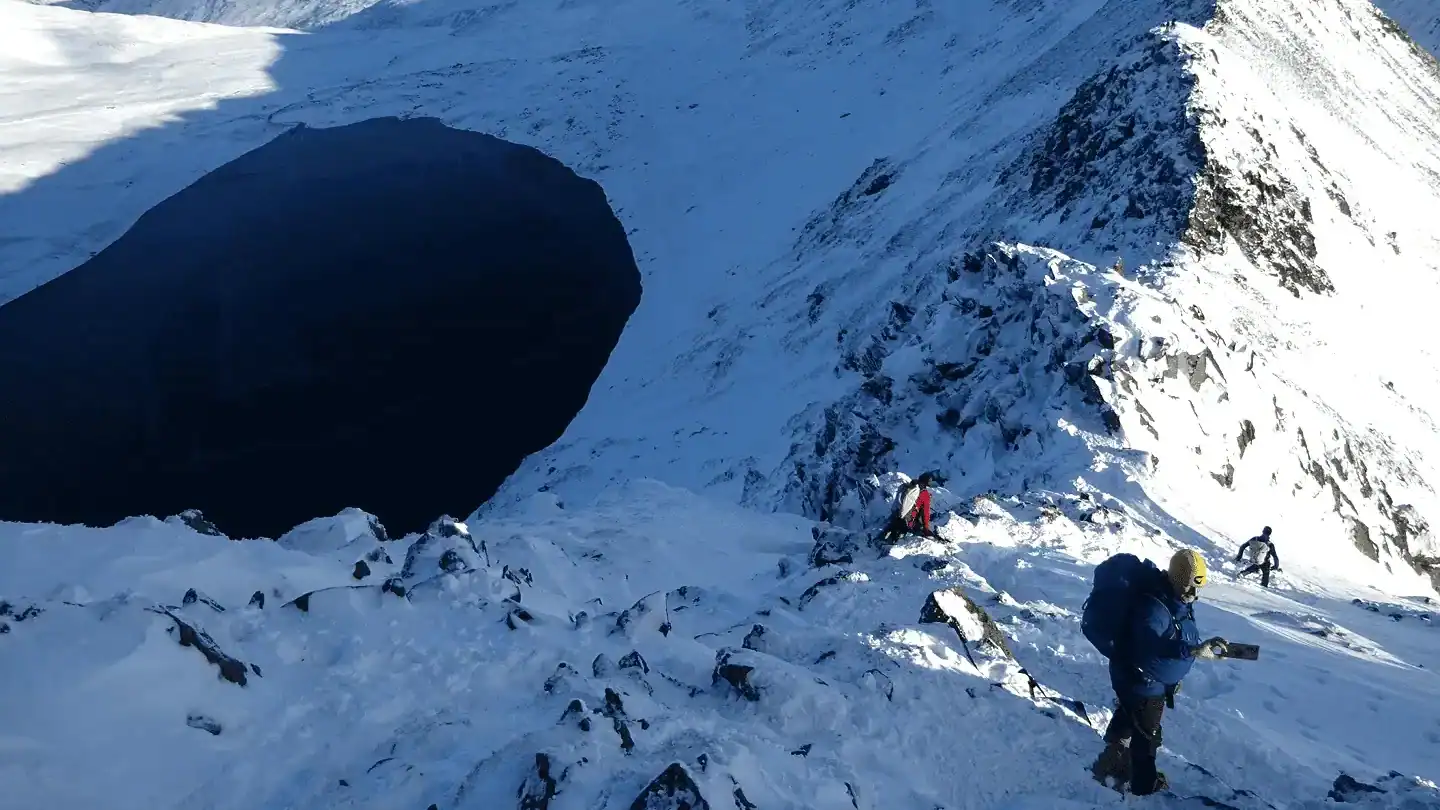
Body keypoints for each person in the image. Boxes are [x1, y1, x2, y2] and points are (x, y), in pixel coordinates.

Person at [1090, 549, 1229, 795]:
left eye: (1198, 588)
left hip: (1143, 681)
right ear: (1176, 580)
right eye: (1189, 587)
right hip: (1141, 682)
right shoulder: (1152, 607)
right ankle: (1144, 785)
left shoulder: (1174, 598)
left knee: (1130, 711)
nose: (1194, 595)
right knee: (1147, 736)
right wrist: (1193, 651)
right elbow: (1148, 647)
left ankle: (1114, 749)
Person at [877, 473, 936, 543]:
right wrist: (926, 529)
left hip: (896, 516)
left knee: (893, 529)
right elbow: (925, 514)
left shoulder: (910, 486)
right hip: (908, 522)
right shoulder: (925, 494)